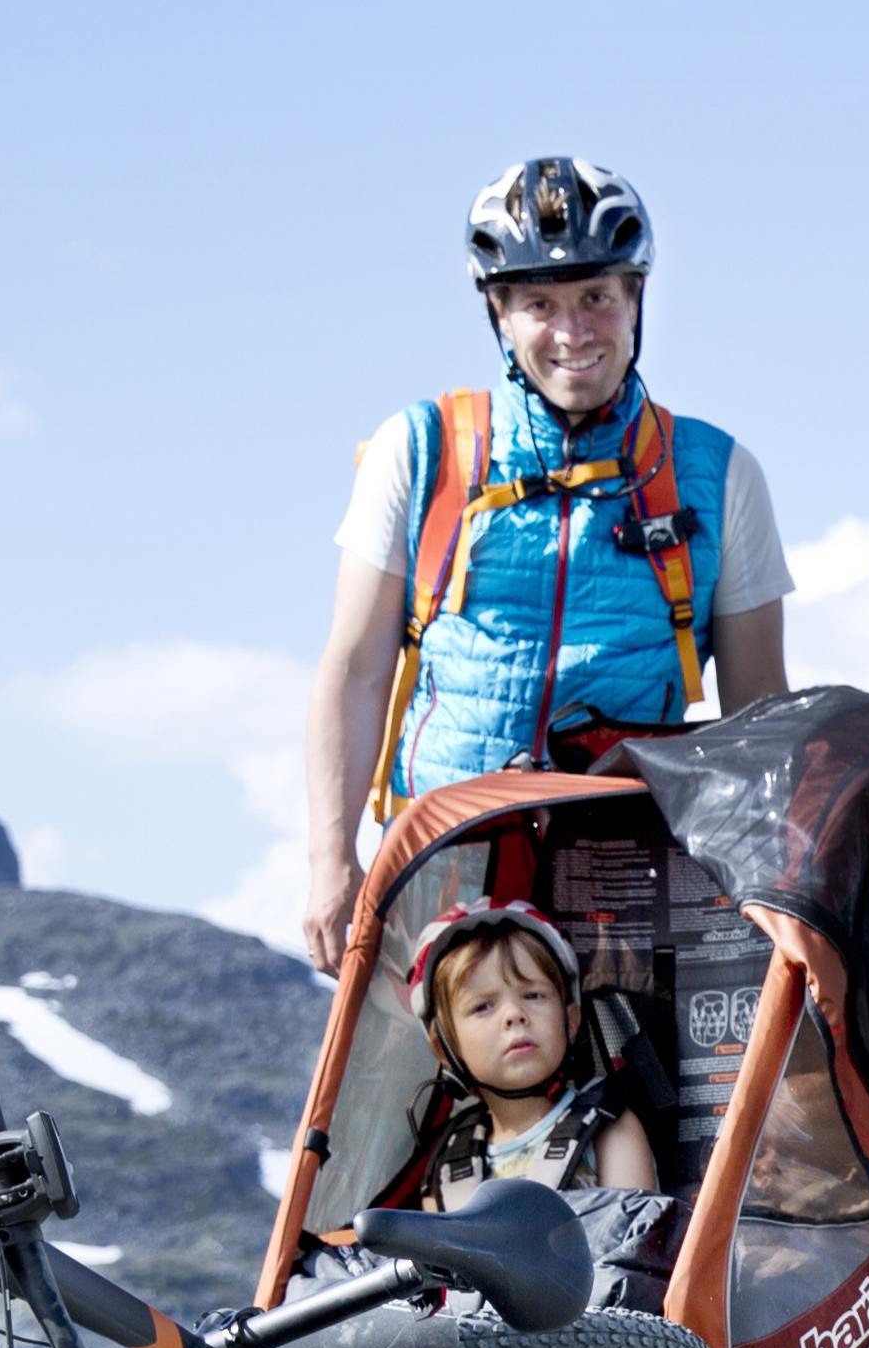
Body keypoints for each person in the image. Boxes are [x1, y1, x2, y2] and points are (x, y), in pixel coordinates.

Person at [299, 156, 794, 974]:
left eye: (597, 296)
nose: (574, 331)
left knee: (647, 1104)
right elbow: (352, 669)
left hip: (630, 877)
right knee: (402, 1104)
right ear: (499, 312)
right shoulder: (420, 452)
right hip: (443, 868)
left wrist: (779, 892)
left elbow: (761, 719)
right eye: (540, 304)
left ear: (637, 297)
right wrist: (329, 863)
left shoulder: (718, 473)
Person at [398, 901, 659, 1205]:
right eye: (483, 1006)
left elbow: (633, 1242)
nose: (514, 1014)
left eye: (533, 995)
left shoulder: (610, 1131)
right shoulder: (446, 1169)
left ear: (571, 1021)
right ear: (445, 1048)